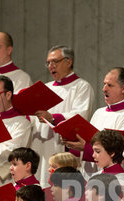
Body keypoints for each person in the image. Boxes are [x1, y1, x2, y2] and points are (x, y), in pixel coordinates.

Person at [30, 45, 95, 186]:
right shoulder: (44, 88)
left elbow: (81, 116)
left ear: (68, 61)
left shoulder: (82, 86)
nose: (50, 66)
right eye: (48, 63)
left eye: (55, 62)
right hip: (42, 146)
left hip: (62, 146)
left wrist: (53, 118)